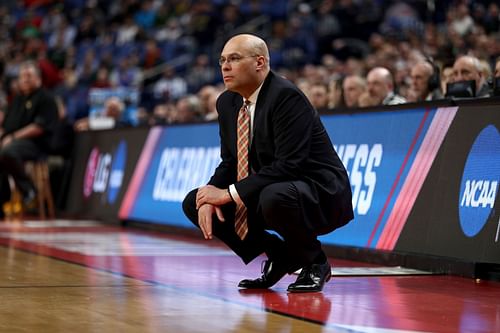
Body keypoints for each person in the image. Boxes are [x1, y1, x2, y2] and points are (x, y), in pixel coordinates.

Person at [182, 34, 353, 293]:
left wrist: (227, 194)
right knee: (194, 202)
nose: (225, 66)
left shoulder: (286, 96)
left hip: (318, 191)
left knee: (273, 196)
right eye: (222, 60)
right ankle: (280, 256)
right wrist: (208, 196)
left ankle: (315, 261)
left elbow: (290, 165)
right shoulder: (227, 102)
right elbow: (230, 162)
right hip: (271, 188)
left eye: (234, 59)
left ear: (260, 62)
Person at [0, 61, 58, 209]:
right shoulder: (17, 99)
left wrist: (12, 138)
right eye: (22, 76)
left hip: (38, 144)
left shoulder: (46, 98)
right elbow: (7, 125)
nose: (25, 79)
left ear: (38, 78)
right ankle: (3, 198)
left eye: (29, 75)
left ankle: (29, 190)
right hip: (16, 142)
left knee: (8, 151)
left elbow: (38, 127)